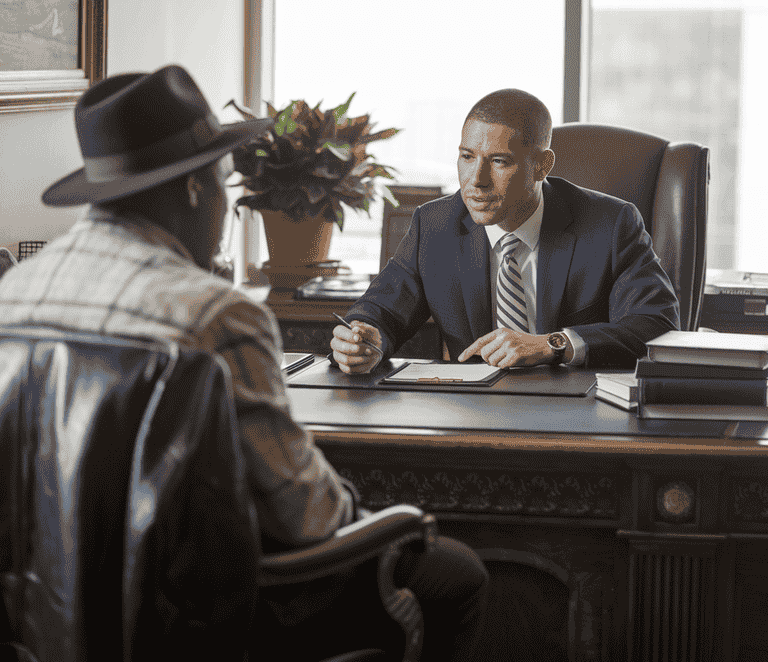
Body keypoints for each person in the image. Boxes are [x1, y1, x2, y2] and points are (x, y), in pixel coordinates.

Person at [0, 64, 488, 661]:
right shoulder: (215, 316)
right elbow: (307, 515)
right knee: (451, 569)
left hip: (47, 618)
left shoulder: (13, 295)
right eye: (225, 185)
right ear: (194, 189)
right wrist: (371, 512)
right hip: (199, 624)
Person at [331, 88, 680, 374]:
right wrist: (364, 338)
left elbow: (656, 328)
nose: (476, 181)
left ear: (541, 166)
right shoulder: (435, 227)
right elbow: (383, 310)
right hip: (474, 420)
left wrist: (552, 343)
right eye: (467, 157)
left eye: (499, 161)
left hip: (577, 419)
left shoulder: (611, 224)